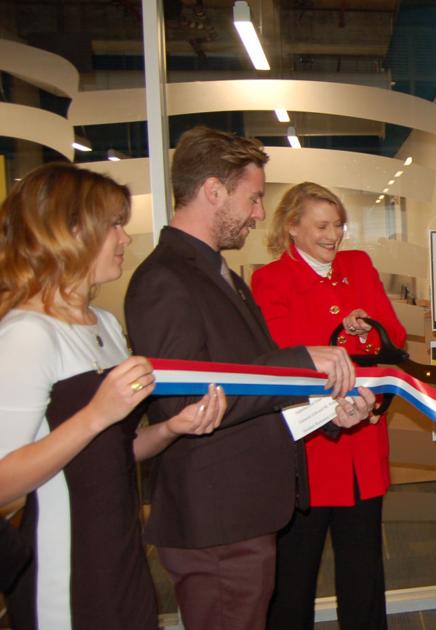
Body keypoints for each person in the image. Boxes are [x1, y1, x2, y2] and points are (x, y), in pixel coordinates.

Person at [125, 126, 375, 630]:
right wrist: (303, 360)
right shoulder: (164, 279)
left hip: (243, 513)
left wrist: (330, 411)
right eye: (254, 198)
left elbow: (254, 388)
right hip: (217, 519)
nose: (261, 214)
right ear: (213, 191)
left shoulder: (221, 275)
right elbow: (189, 402)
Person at [0, 163, 225, 629]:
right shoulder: (26, 334)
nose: (125, 238)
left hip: (121, 553)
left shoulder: (102, 324)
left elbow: (114, 452)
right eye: (114, 225)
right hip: (65, 567)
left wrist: (168, 429)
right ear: (70, 231)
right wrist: (97, 414)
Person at [250, 182, 406, 630]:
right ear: (291, 226)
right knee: (294, 581)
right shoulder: (270, 280)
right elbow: (281, 360)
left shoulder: (358, 265)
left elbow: (391, 338)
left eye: (338, 225)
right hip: (310, 454)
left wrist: (368, 330)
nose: (333, 236)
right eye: (321, 225)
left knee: (364, 576)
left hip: (361, 449)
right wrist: (338, 331)